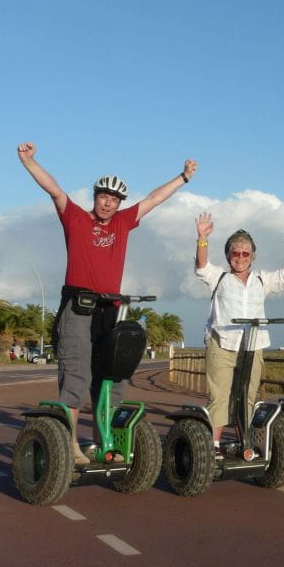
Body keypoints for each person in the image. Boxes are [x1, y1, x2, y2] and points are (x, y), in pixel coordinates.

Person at [17, 141, 198, 466]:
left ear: (118, 203)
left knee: (113, 381)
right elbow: (55, 190)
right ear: (96, 196)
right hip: (78, 308)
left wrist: (182, 177)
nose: (108, 203)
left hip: (110, 311)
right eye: (104, 196)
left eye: (113, 199)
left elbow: (154, 199)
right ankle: (68, 446)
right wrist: (29, 161)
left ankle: (106, 444)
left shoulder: (122, 223)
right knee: (76, 379)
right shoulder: (75, 218)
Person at [194, 198, 284, 458]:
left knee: (248, 396)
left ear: (252, 256)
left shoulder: (260, 280)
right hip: (222, 343)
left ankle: (246, 443)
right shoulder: (219, 277)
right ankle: (214, 445)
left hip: (252, 346)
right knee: (219, 396)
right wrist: (202, 239)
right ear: (228, 255)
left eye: (245, 253)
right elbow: (201, 266)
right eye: (235, 253)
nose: (240, 257)